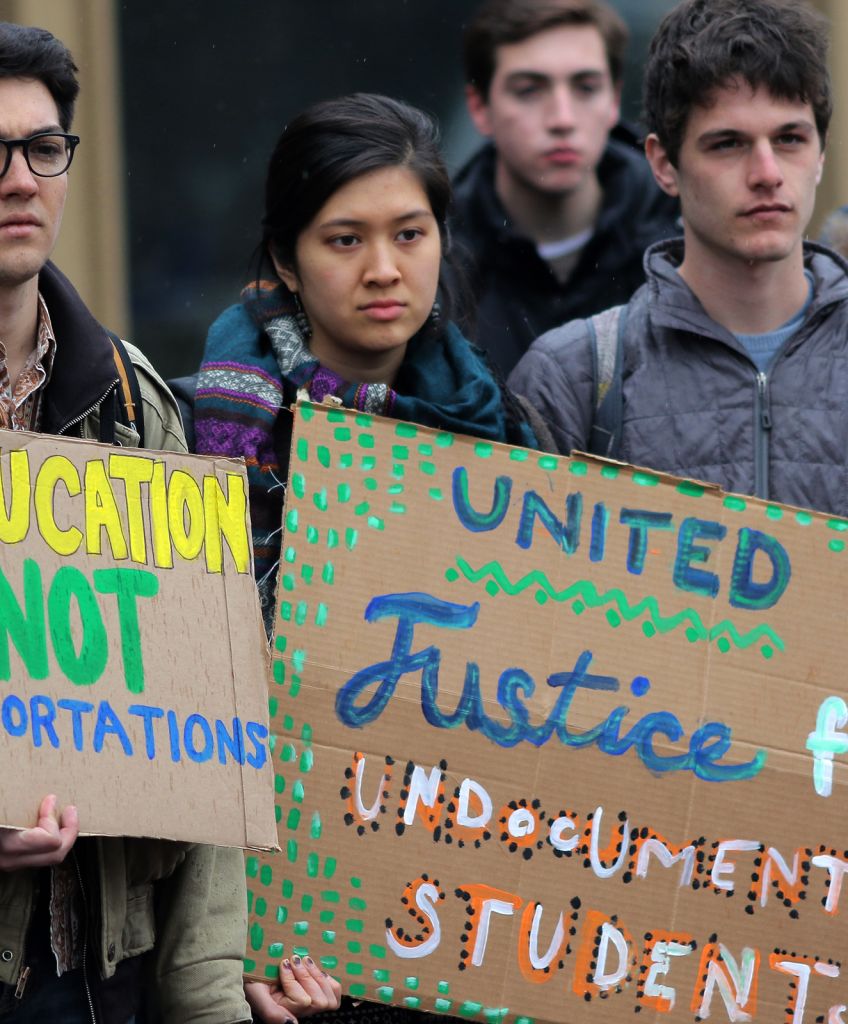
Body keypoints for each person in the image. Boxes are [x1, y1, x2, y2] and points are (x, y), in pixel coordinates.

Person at [185, 91, 541, 1021]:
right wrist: (237, 950)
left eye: (410, 234)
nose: (384, 269)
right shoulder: (199, 438)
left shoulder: (508, 441)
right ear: (285, 262)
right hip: (278, 933)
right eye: (344, 240)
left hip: (466, 927)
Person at [0, 22, 253, 1024]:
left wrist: (206, 998)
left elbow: (204, 717)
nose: (20, 180)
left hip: (107, 979)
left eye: (44, 148)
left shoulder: (136, 403)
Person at [508, 0, 848, 519]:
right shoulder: (574, 376)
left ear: (821, 154)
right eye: (728, 143)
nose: (767, 172)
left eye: (790, 139)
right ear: (664, 165)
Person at [452, 0, 680, 376]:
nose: (562, 118)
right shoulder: (438, 259)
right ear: (480, 108)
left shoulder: (685, 241)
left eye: (586, 87)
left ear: (613, 100)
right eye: (529, 90)